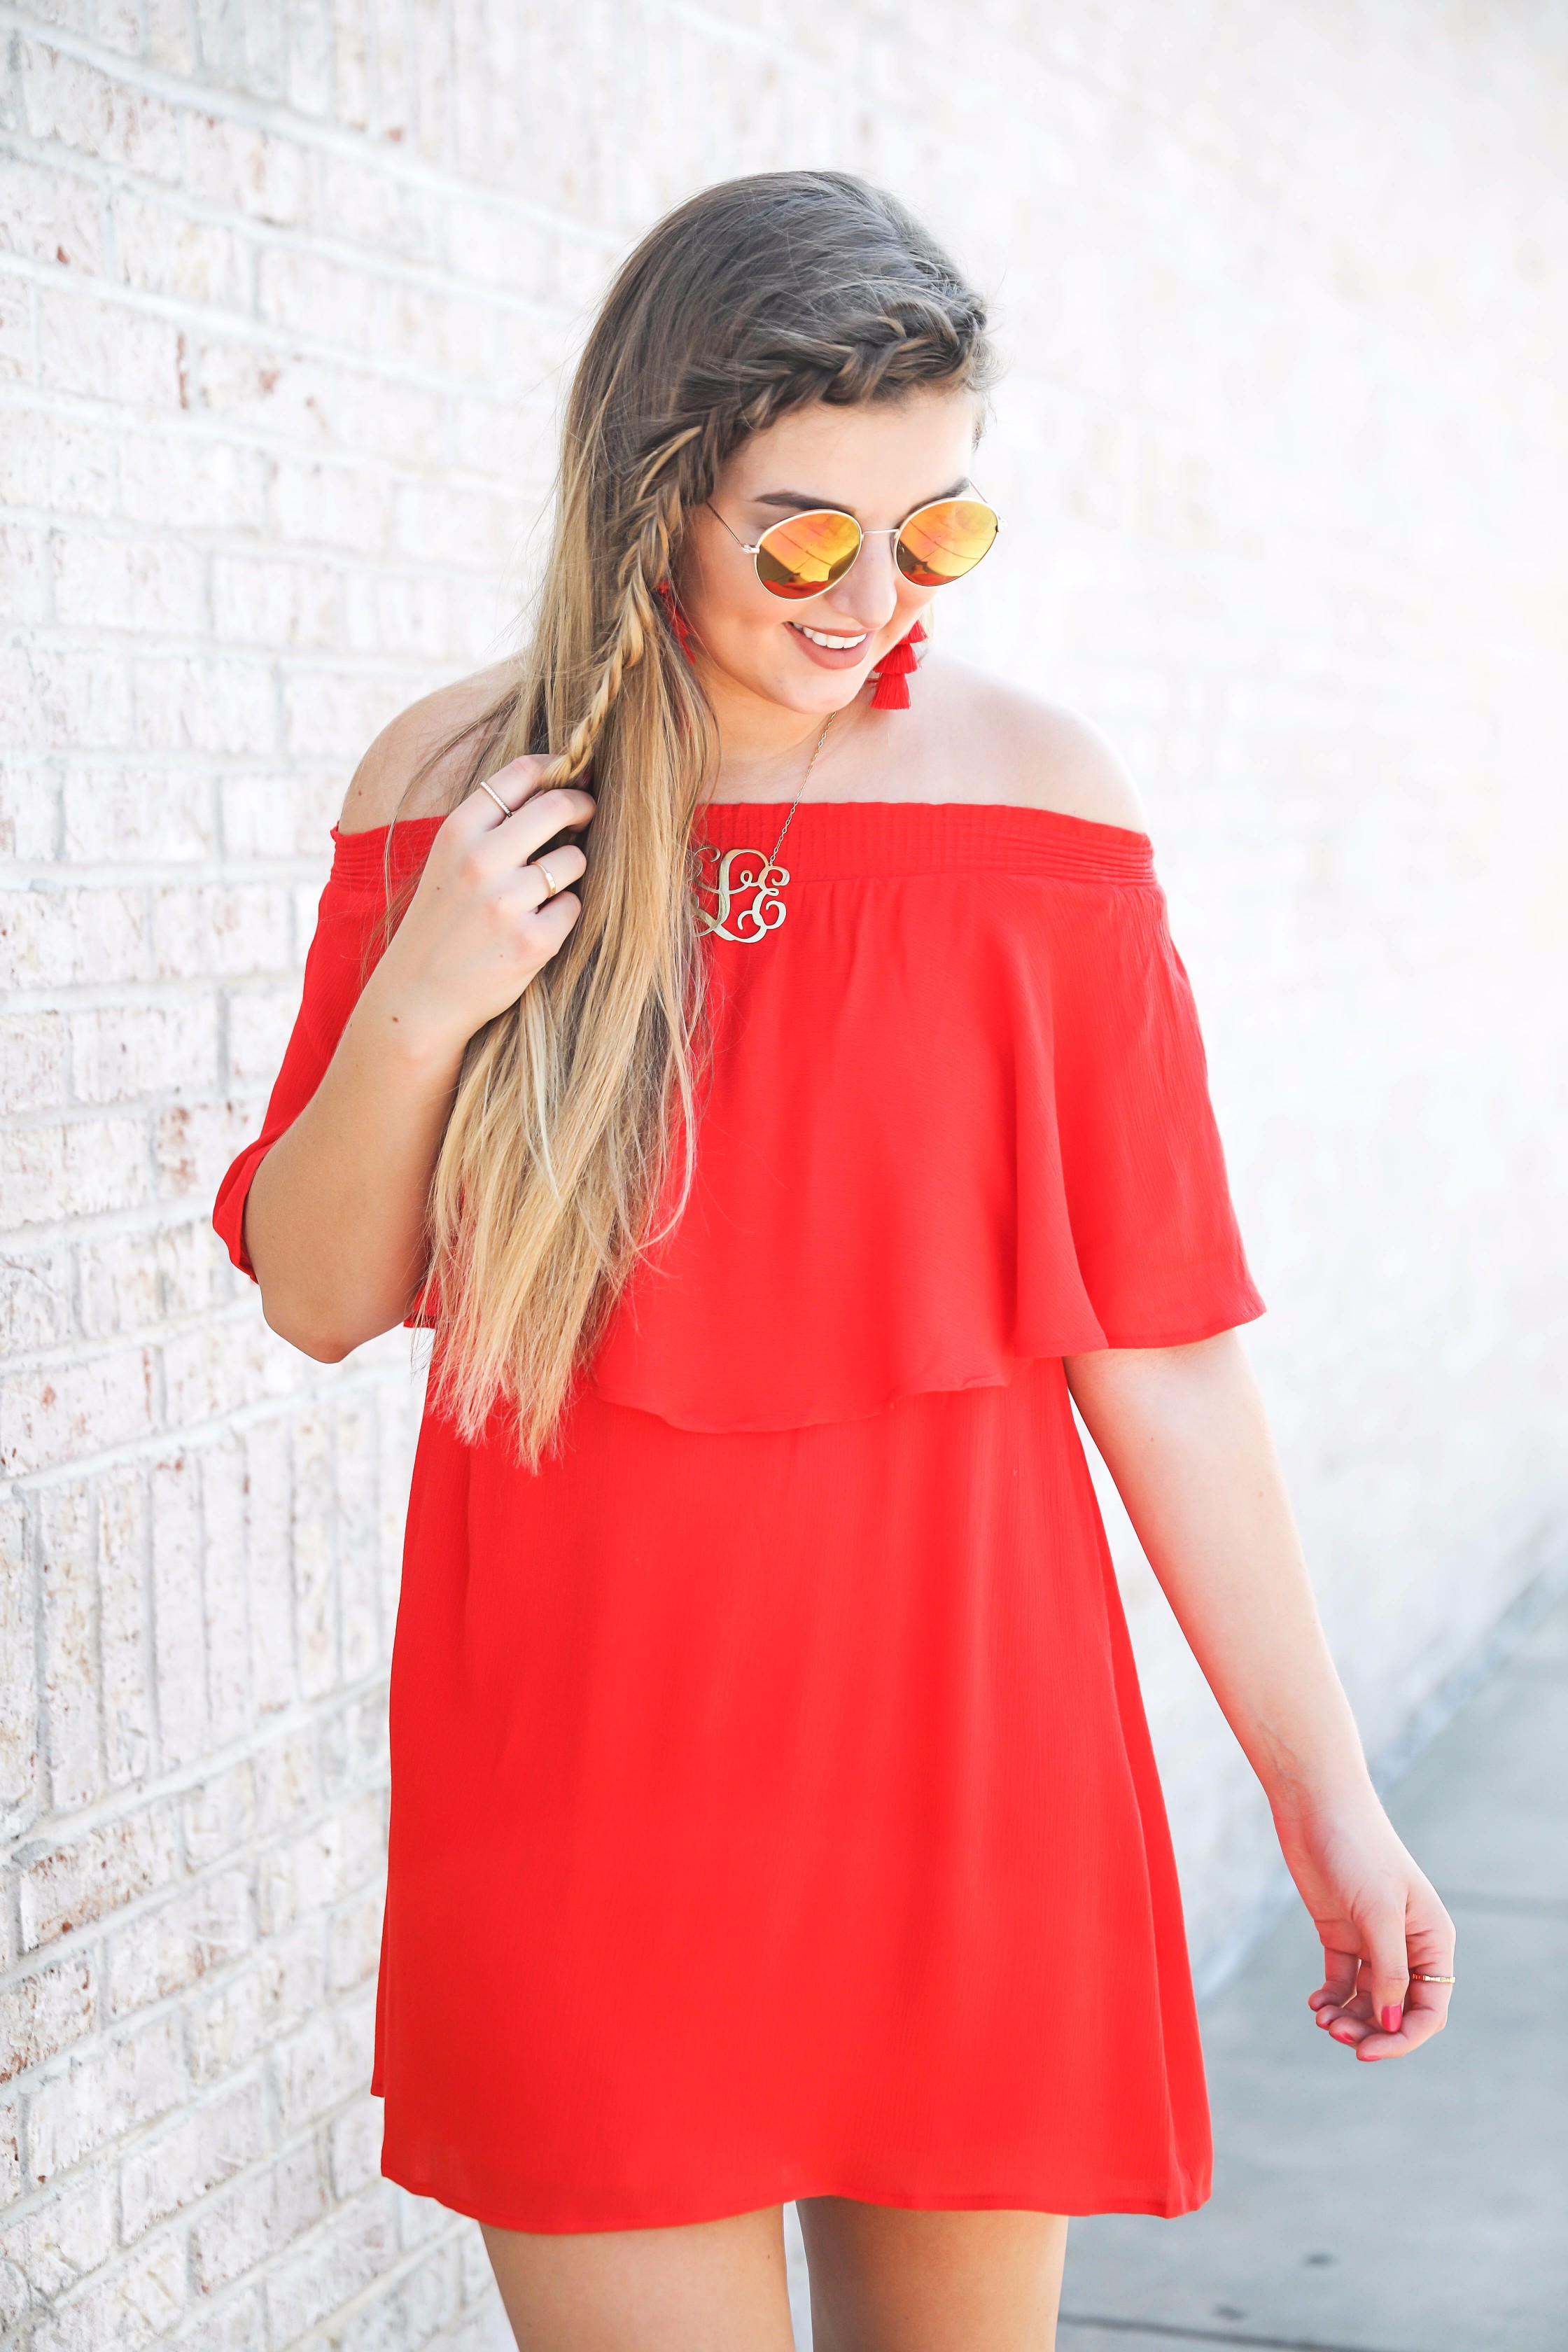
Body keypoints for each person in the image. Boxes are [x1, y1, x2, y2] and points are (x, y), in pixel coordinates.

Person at [214, 171, 1455, 2352]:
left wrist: (1324, 1794)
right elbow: (319, 1291)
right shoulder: (444, 790)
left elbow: (1162, 1350)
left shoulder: (1043, 811)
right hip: (579, 1786)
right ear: (653, 491)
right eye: (808, 535)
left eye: (942, 528)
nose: (879, 596)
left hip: (965, 1769)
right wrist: (430, 993)